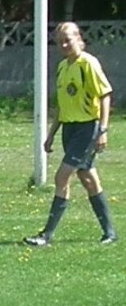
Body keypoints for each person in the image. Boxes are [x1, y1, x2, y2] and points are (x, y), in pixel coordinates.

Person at [24, 22, 117, 247]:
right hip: (70, 129)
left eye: (68, 39)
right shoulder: (63, 67)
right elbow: (62, 106)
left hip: (87, 128)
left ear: (79, 38)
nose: (64, 44)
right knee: (87, 178)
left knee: (61, 177)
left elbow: (105, 95)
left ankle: (46, 235)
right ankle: (110, 233)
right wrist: (51, 134)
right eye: (60, 41)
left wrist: (102, 130)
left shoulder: (89, 64)